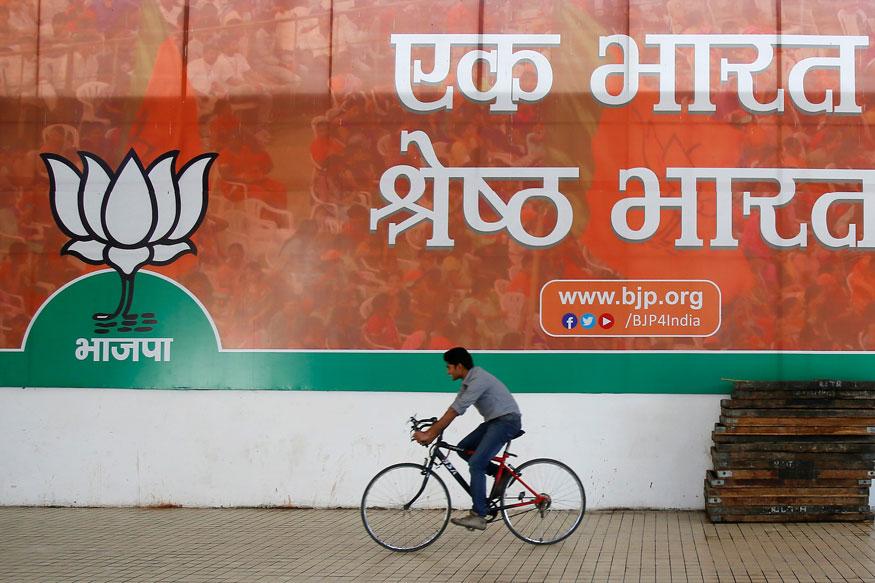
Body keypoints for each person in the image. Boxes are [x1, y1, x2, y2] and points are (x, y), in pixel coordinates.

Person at [414, 347, 522, 531]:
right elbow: (453, 408)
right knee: (464, 448)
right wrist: (433, 428)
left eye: (449, 367)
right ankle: (501, 474)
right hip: (495, 421)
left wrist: (431, 434)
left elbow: (457, 410)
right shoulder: (468, 382)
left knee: (477, 464)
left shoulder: (478, 380)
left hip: (506, 421)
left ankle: (479, 515)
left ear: (459, 366)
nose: (447, 371)